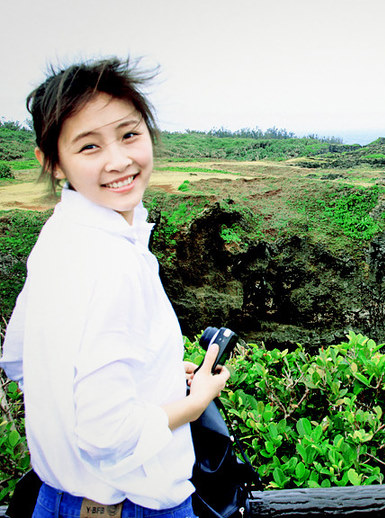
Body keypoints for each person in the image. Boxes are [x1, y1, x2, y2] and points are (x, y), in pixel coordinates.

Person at [0, 57, 229, 518]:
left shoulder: (58, 235)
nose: (119, 160)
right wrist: (196, 401)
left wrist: (154, 374)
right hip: (133, 506)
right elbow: (108, 434)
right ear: (53, 162)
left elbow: (19, 359)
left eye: (128, 134)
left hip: (54, 500)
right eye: (89, 146)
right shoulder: (114, 261)